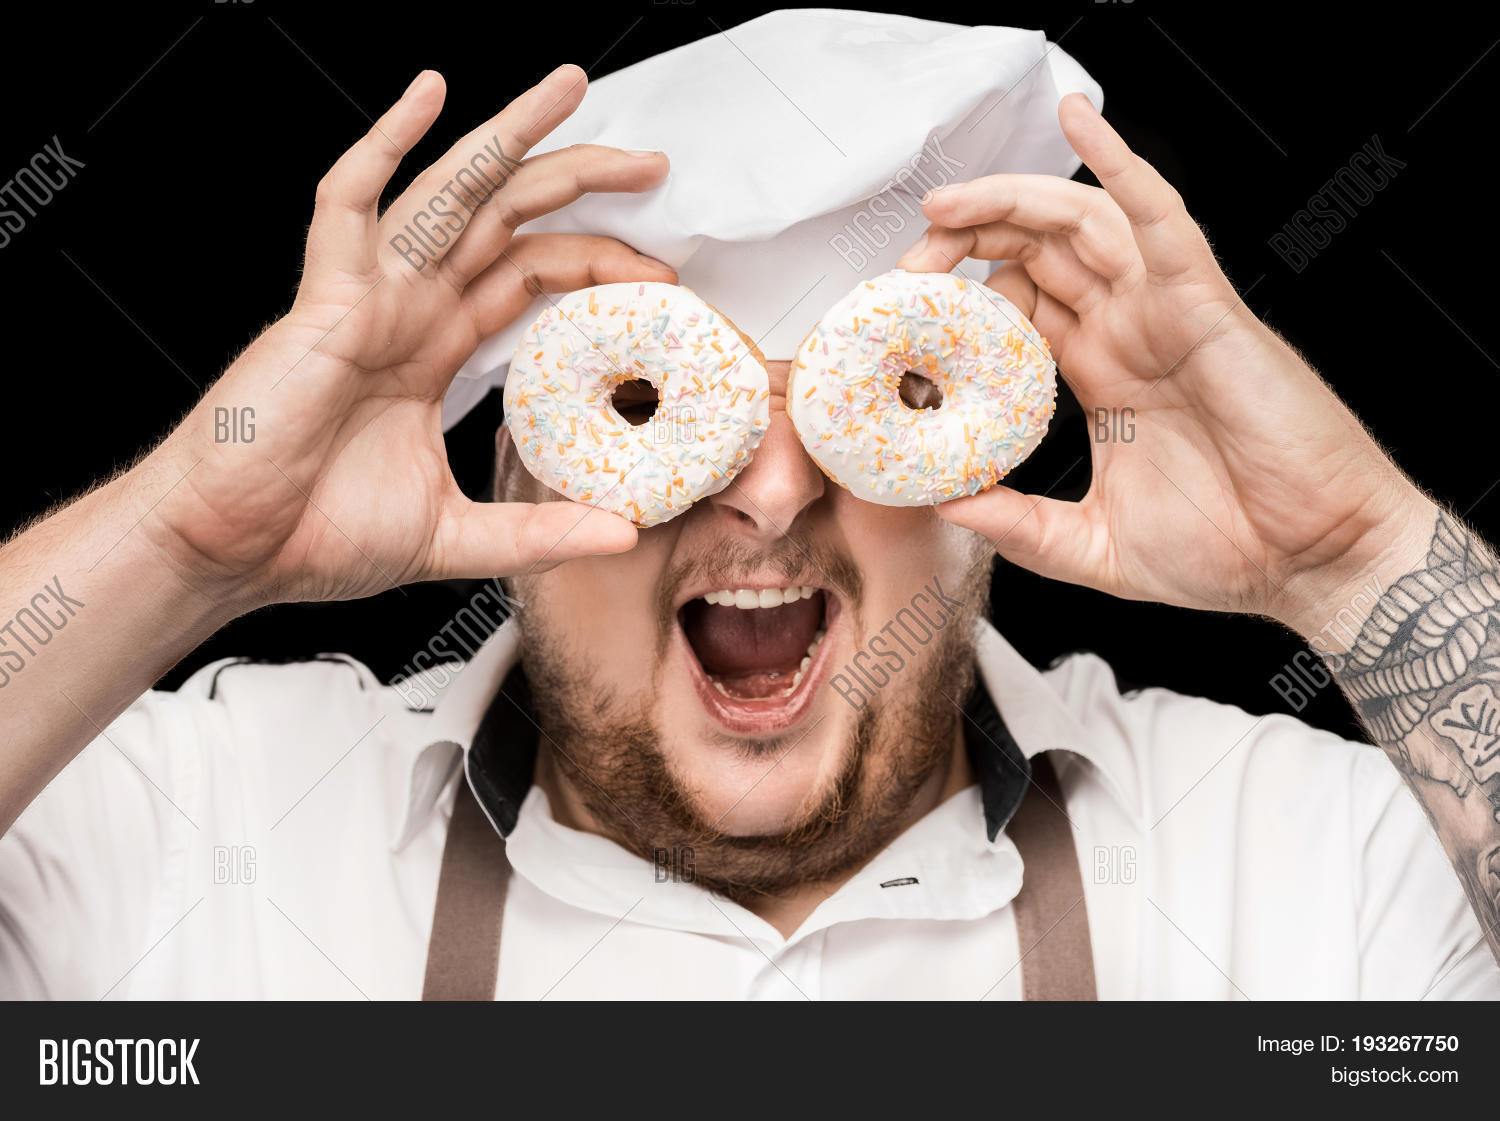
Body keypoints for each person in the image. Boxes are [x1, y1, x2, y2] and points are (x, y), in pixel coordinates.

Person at [2, 13, 1497, 999]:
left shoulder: (1294, 858)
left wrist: (1352, 563)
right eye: (662, 412)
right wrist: (188, 537)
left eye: (876, 410)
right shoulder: (203, 831)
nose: (775, 491)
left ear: (976, 470)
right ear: (516, 461)